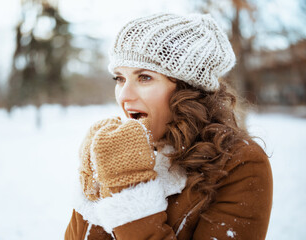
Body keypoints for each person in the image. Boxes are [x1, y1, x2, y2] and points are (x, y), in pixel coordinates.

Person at [65, 13, 273, 240]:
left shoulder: (240, 163)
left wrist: (129, 189)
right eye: (119, 78)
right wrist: (93, 186)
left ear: (187, 89)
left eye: (144, 77)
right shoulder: (124, 150)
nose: (124, 96)